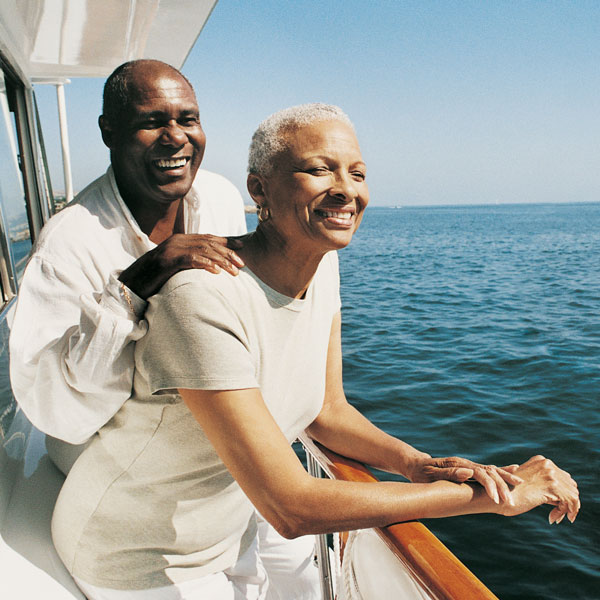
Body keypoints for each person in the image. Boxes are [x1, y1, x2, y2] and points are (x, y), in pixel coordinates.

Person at [50, 103, 580, 600]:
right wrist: (495, 499)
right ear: (260, 189)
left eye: (357, 173)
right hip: (136, 554)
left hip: (228, 527)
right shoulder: (202, 296)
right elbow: (290, 505)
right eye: (318, 170)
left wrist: (420, 465)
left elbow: (327, 412)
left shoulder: (322, 267)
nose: (345, 190)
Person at [8, 60, 320, 599]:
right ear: (109, 132)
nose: (175, 137)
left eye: (188, 118)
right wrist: (138, 280)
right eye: (152, 121)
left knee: (296, 568)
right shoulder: (69, 244)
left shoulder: (219, 197)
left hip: (212, 441)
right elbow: (58, 413)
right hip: (118, 464)